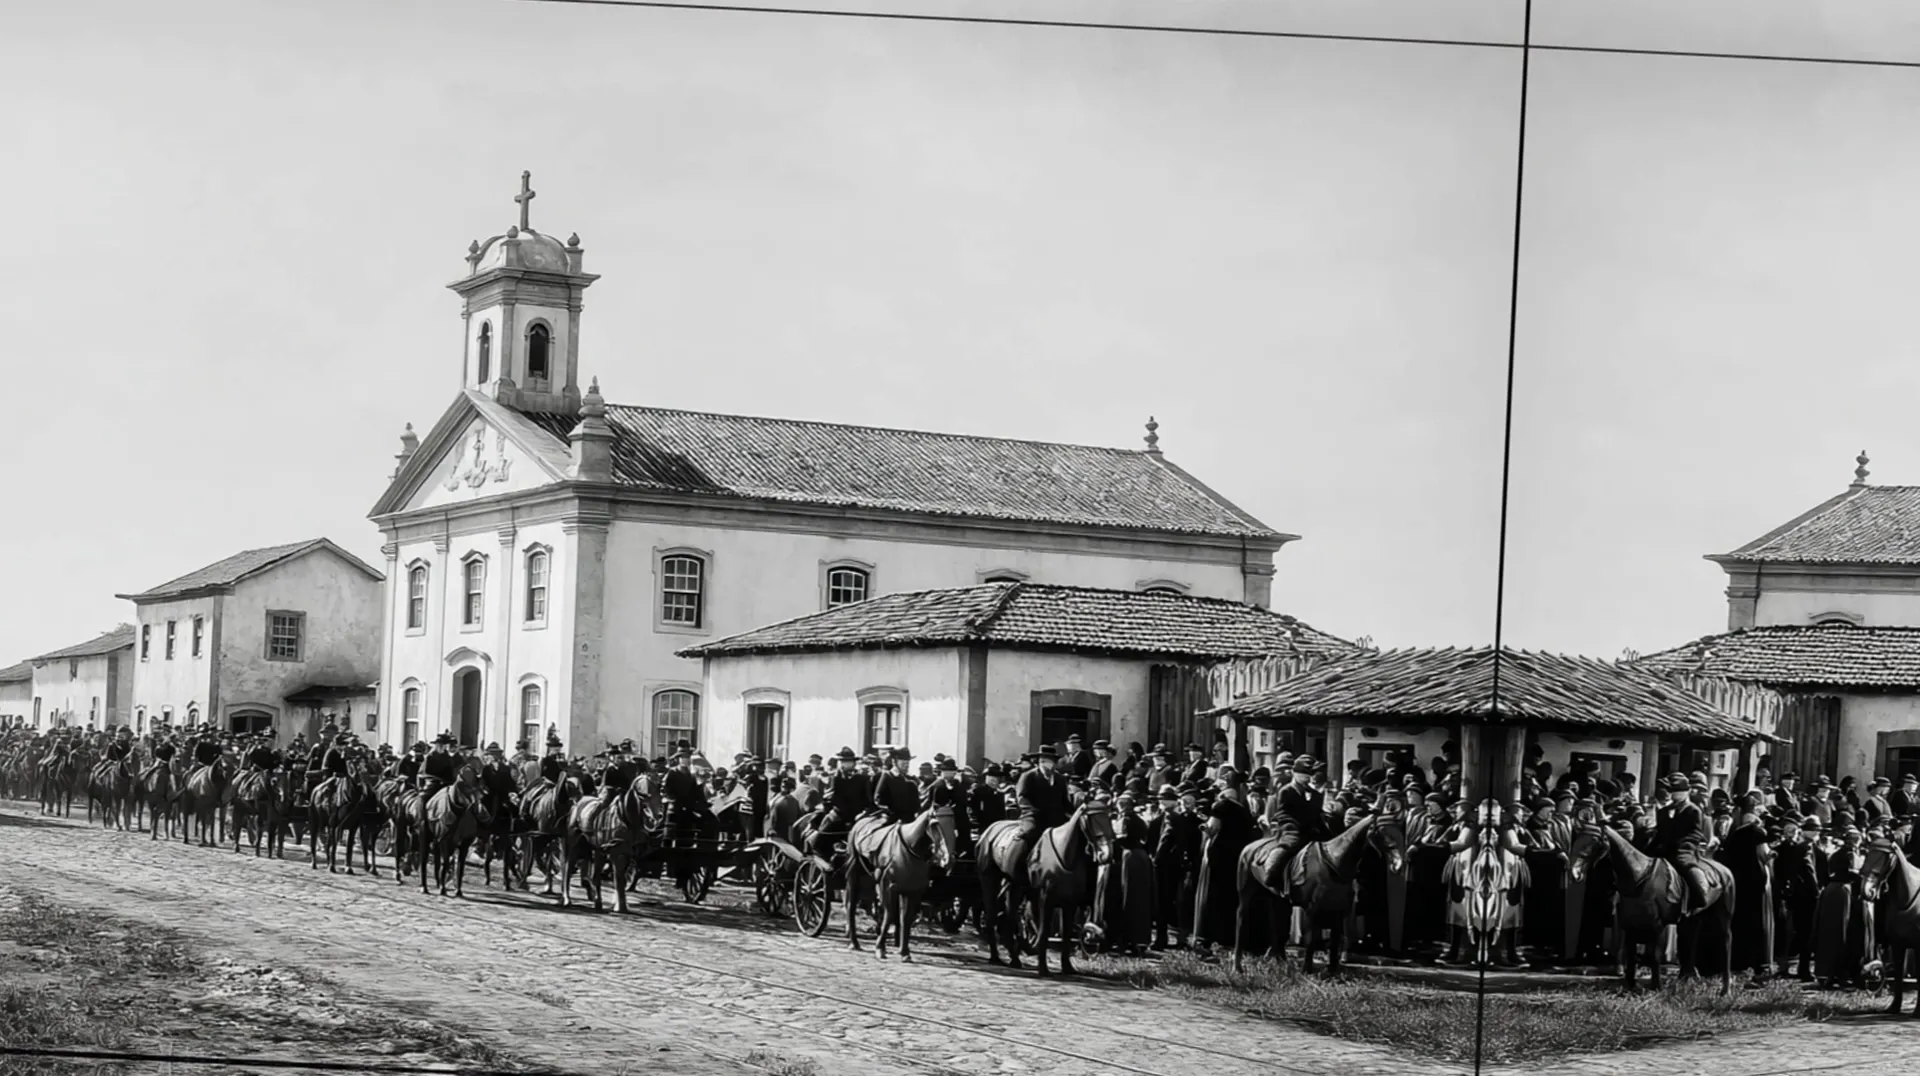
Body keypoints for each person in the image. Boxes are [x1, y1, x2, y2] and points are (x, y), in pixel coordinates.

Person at [1008, 744, 1072, 883]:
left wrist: (1074, 815)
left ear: (1054, 763)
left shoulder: (1060, 779)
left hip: (1056, 817)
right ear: (1038, 762)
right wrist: (1032, 810)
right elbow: (1022, 797)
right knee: (1030, 832)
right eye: (1043, 761)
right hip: (1033, 816)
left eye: (1049, 761)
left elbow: (1065, 801)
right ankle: (1018, 869)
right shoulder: (1028, 776)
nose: (1046, 764)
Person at [1652, 772, 1714, 912]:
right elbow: (1659, 831)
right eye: (1670, 791)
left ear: (1685, 792)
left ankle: (1699, 894)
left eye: (1675, 791)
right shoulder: (1664, 811)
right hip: (1663, 847)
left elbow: (1695, 833)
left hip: (1684, 848)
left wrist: (1681, 845)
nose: (1672, 794)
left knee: (1684, 864)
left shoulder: (1693, 810)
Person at [872, 747, 921, 825]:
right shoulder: (888, 776)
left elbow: (916, 804)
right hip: (892, 819)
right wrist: (888, 813)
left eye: (907, 763)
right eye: (903, 763)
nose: (906, 766)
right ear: (894, 762)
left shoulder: (911, 779)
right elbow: (878, 799)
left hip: (910, 819)